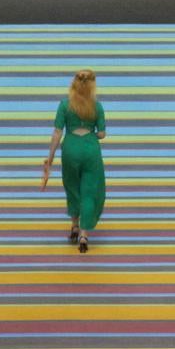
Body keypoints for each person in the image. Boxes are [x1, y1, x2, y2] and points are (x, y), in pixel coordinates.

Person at [41, 67, 107, 252]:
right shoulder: (97, 106)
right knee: (89, 189)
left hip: (70, 149)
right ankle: (84, 235)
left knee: (72, 186)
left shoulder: (64, 105)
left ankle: (74, 225)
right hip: (90, 150)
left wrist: (50, 158)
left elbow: (57, 133)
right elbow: (101, 134)